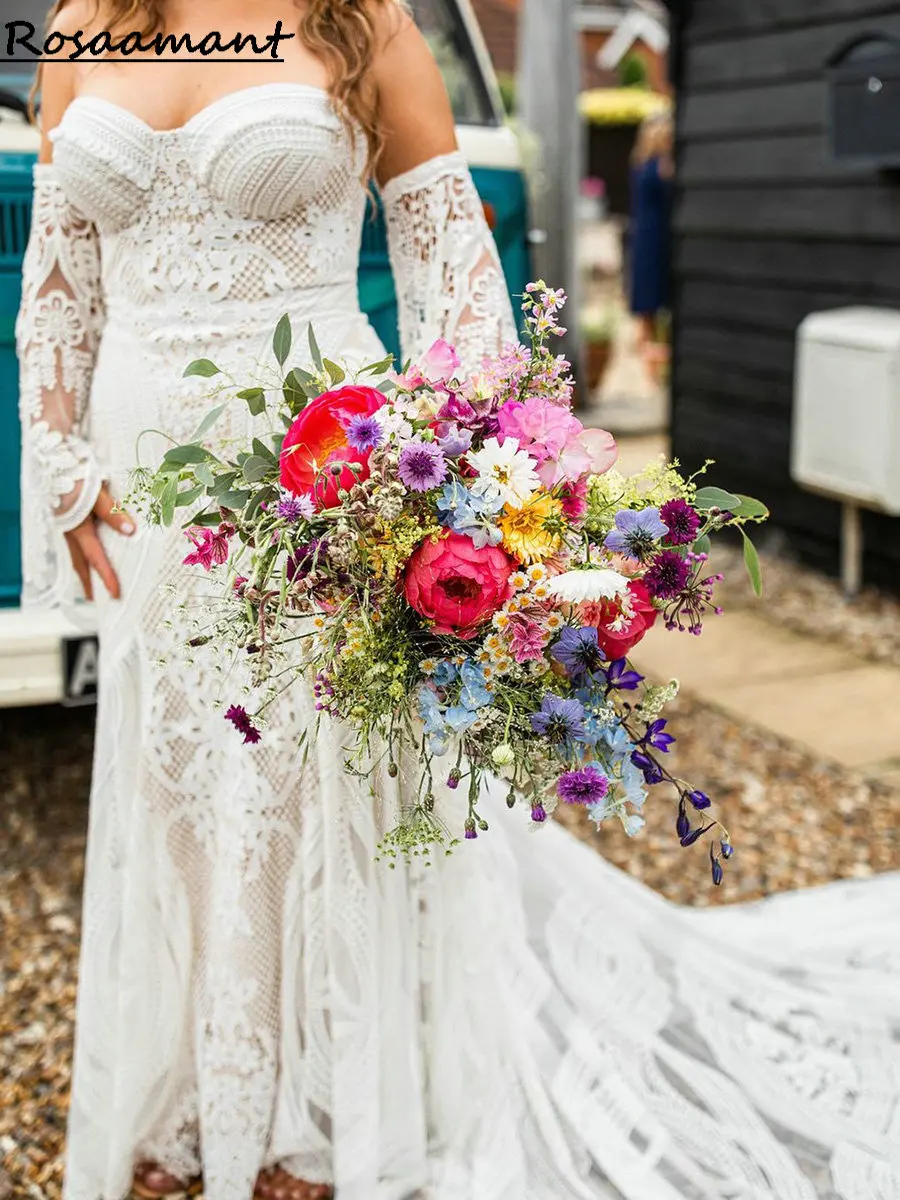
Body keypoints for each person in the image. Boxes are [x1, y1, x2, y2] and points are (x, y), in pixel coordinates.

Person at [16, 3, 899, 1199]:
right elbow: (58, 285)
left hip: (316, 478)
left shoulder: (359, 20)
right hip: (145, 491)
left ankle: (314, 1117)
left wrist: (470, 494)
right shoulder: (83, 25)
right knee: (182, 793)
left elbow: (456, 285)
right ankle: (195, 1096)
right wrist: (61, 466)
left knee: (308, 792)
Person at [628, 113, 672, 374]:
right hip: (656, 234)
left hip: (645, 232)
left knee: (646, 291)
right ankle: (650, 355)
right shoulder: (658, 166)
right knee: (652, 289)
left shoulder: (640, 163)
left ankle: (646, 349)